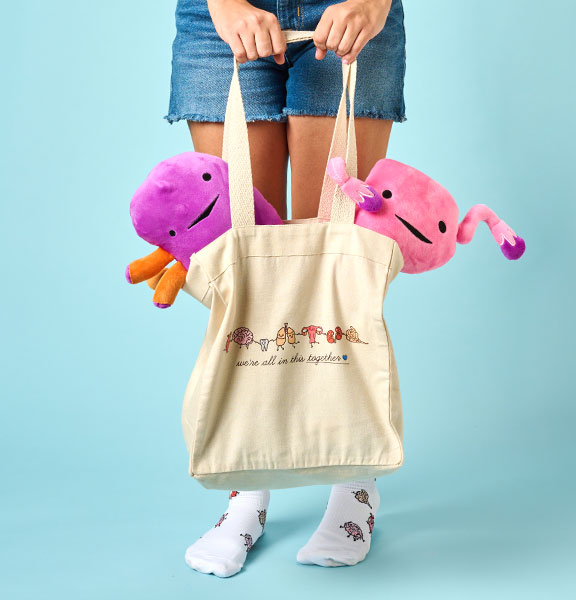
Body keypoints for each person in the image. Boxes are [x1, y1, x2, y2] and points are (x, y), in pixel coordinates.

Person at [166, 0, 406, 577]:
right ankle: (248, 487)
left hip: (349, 8)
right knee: (244, 267)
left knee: (338, 264)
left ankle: (356, 480)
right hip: (220, 15)